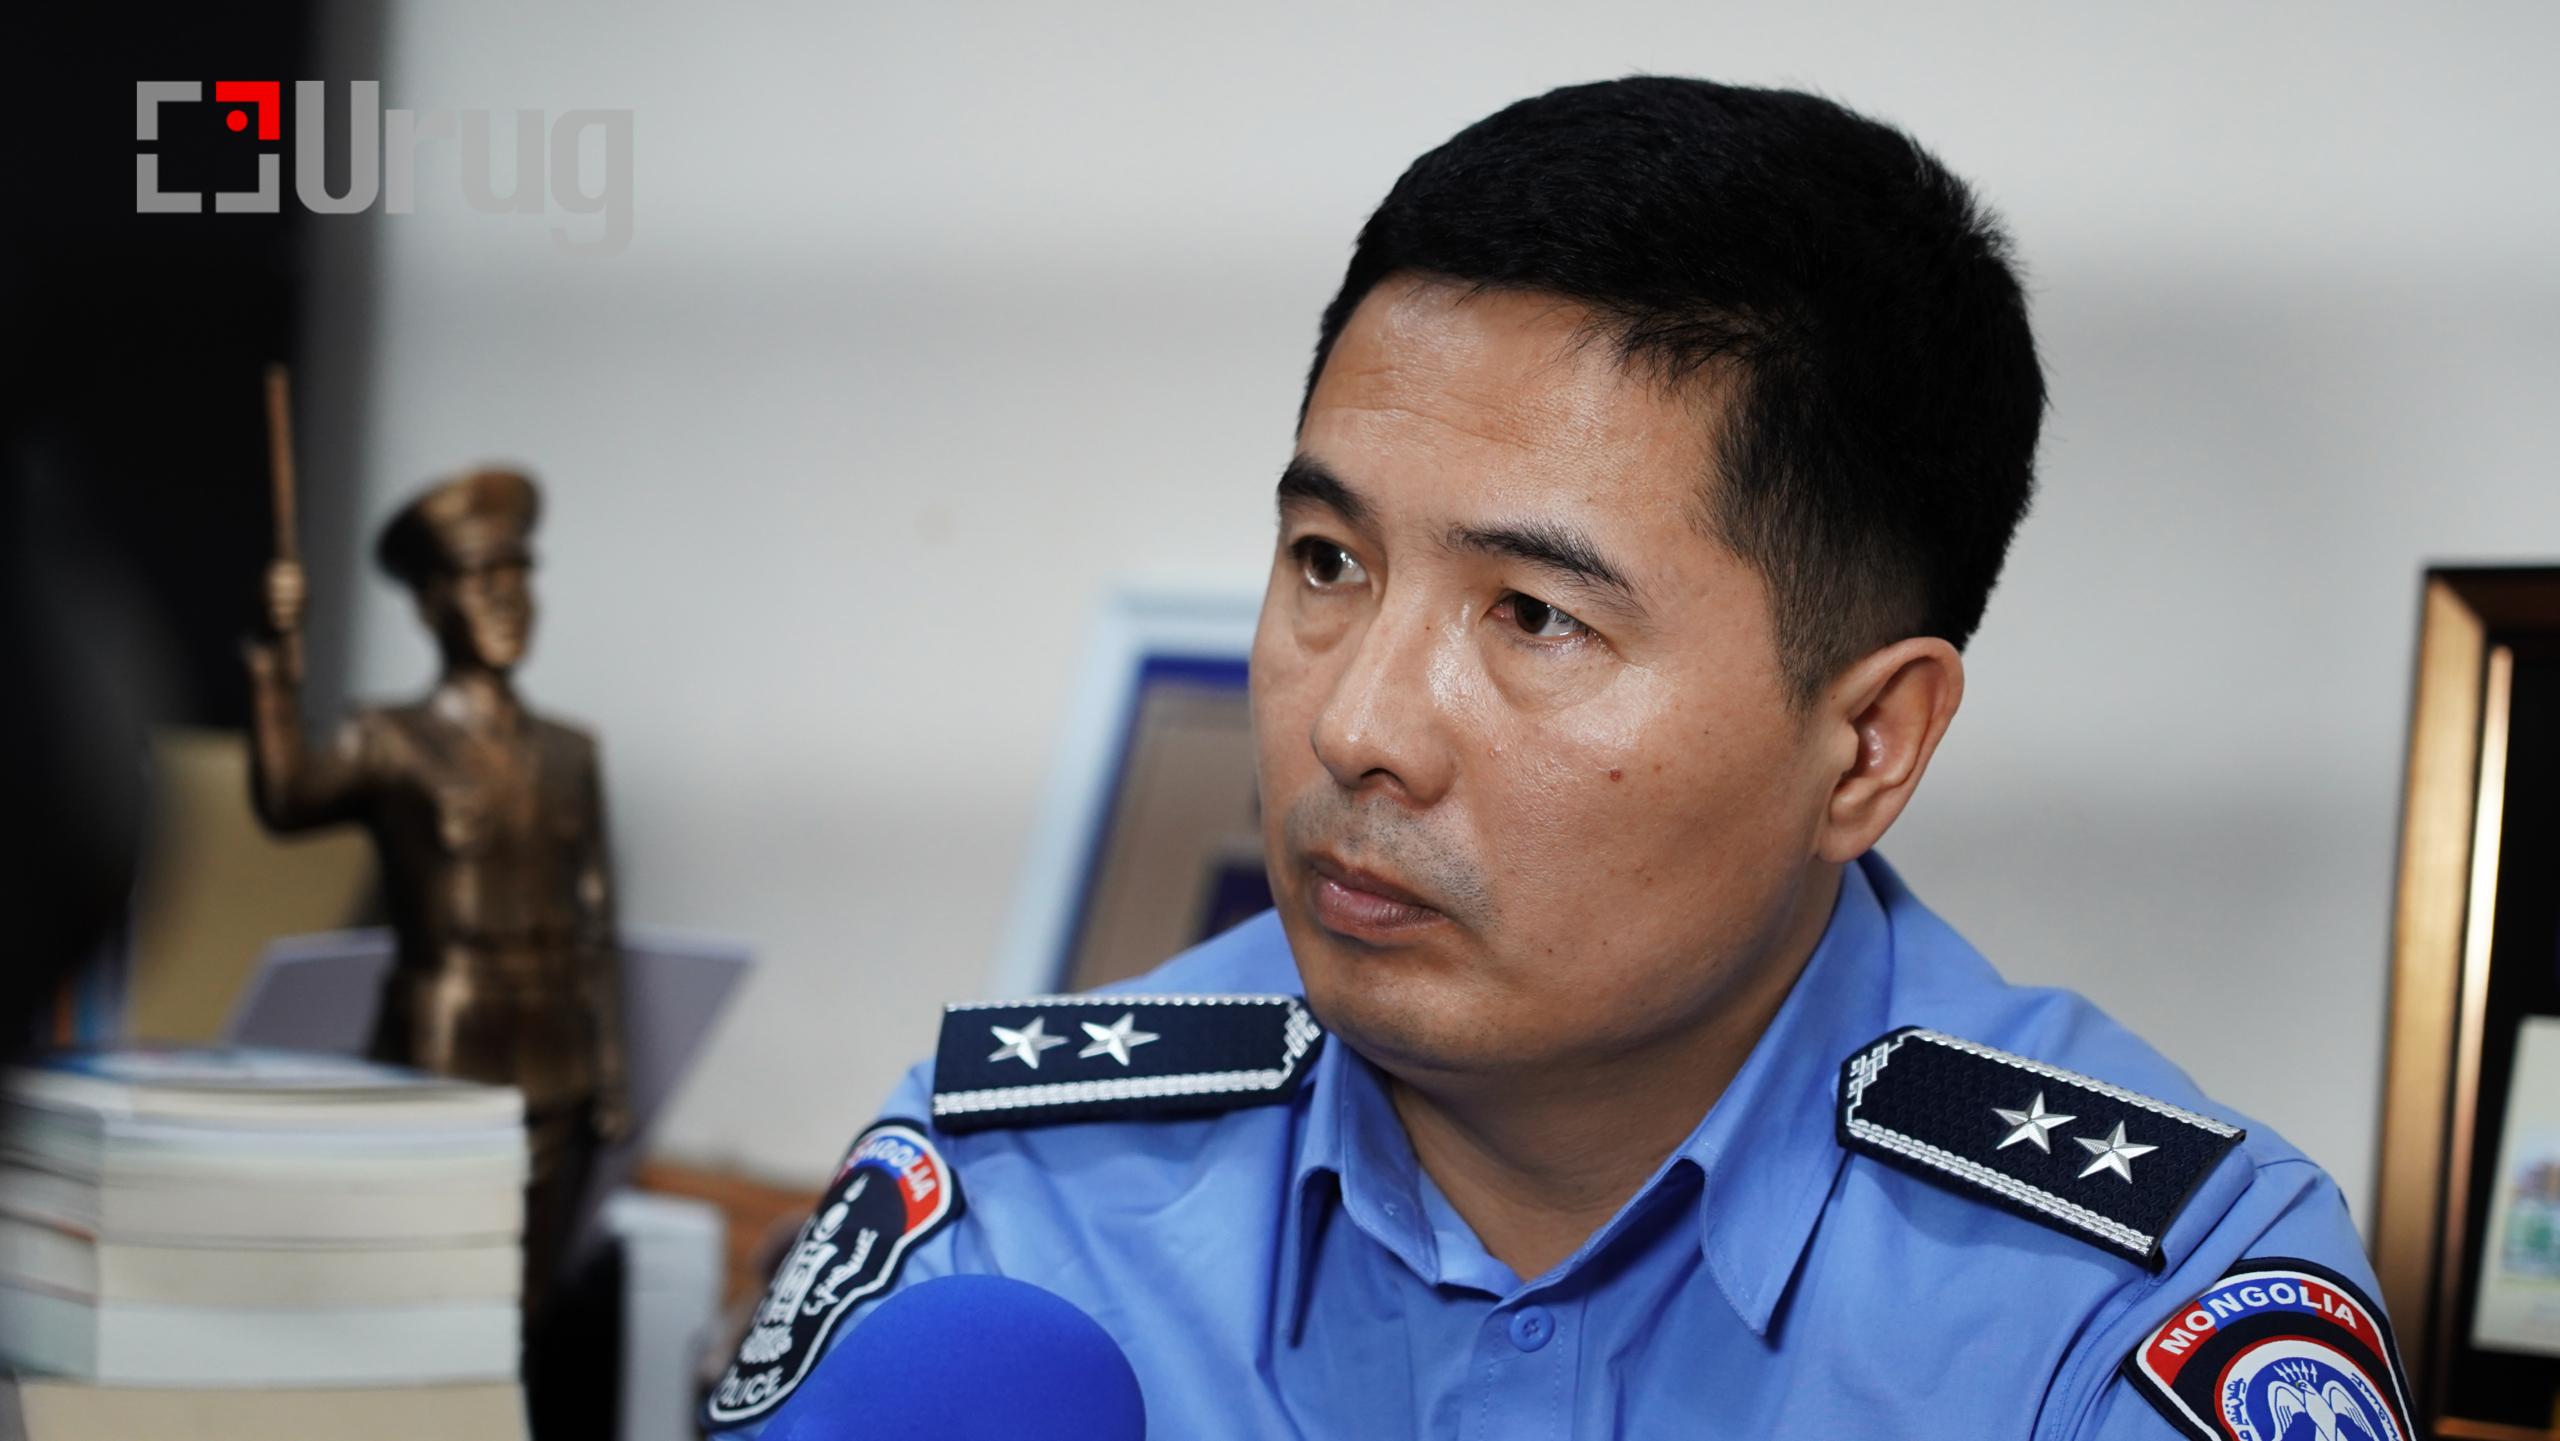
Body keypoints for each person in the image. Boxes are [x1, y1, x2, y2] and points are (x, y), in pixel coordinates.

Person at [706, 77, 2409, 1439]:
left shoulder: (2129, 1311)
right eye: (1328, 563)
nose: (1359, 725)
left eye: (1533, 616)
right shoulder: (1014, 1200)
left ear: (1868, 746)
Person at [245, 467, 630, 1316]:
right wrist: (274, 661)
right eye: (481, 577)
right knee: (427, 1291)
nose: (507, 597)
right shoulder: (389, 739)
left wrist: (611, 1071)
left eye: (519, 573)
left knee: (527, 1303)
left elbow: (597, 919)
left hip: (558, 1053)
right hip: (442, 1050)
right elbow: (288, 797)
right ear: (429, 603)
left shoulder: (572, 751)